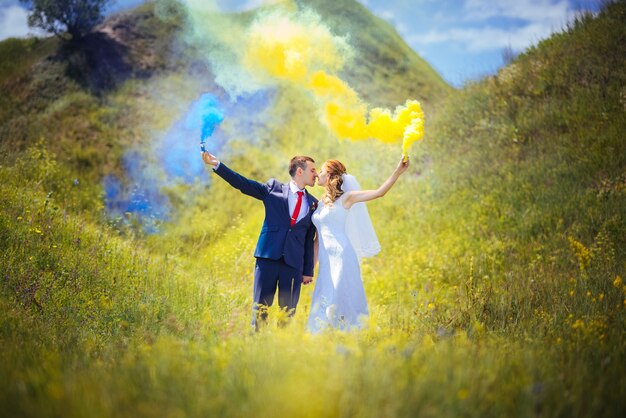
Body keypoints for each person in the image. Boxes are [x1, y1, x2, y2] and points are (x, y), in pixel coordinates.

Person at [201, 151, 319, 329]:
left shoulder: (313, 203)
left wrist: (308, 270)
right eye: (312, 170)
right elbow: (244, 184)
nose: (316, 174)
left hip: (293, 265)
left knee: (288, 313)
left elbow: (310, 239)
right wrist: (218, 165)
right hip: (268, 259)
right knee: (260, 309)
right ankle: (257, 344)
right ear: (300, 171)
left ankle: (281, 348)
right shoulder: (274, 188)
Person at [307, 156, 409, 332]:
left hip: (342, 255)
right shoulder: (321, 203)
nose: (317, 175)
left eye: (321, 171)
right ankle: (321, 336)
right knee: (324, 295)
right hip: (326, 260)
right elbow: (317, 240)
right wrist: (309, 269)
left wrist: (398, 171)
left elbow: (379, 192)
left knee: (340, 296)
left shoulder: (347, 198)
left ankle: (348, 333)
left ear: (330, 175)